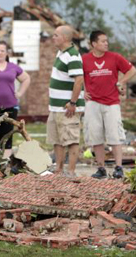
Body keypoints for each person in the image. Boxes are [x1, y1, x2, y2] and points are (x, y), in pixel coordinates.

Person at [82, 30, 136, 179]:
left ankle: (118, 168)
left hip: (112, 103)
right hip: (93, 103)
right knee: (96, 137)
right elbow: (79, 77)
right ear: (94, 44)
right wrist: (83, 92)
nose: (106, 43)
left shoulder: (114, 57)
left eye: (107, 41)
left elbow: (132, 70)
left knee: (115, 136)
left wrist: (121, 82)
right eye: (103, 41)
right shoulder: (85, 59)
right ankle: (101, 169)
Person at [46, 25, 85, 178]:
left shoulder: (73, 55)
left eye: (56, 35)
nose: (53, 37)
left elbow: (79, 80)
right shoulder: (61, 53)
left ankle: (71, 171)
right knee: (57, 139)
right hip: (55, 107)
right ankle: (59, 169)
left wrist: (73, 103)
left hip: (68, 107)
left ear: (65, 38)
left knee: (71, 138)